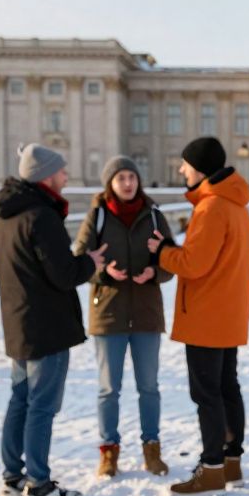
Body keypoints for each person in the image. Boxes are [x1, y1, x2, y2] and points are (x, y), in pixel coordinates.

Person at [0, 143, 107, 496]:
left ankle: (13, 475)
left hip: (18, 322)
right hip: (47, 325)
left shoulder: (4, 217)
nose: (66, 176)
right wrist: (91, 262)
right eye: (61, 171)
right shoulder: (42, 216)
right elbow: (63, 273)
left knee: (20, 399)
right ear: (45, 175)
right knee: (42, 404)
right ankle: (38, 482)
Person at [148, 136, 249, 495]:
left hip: (206, 316)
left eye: (185, 164)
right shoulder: (237, 205)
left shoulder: (211, 207)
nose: (181, 169)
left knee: (207, 395)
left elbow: (193, 264)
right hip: (229, 314)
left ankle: (211, 468)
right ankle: (231, 462)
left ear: (201, 168)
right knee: (227, 390)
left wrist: (162, 250)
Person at [75, 156, 173, 479]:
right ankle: (108, 451)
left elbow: (171, 261)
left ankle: (151, 449)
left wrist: (154, 272)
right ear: (110, 184)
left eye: (132, 176)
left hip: (146, 313)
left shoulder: (156, 216)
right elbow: (78, 259)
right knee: (108, 388)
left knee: (149, 387)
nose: (127, 183)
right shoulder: (98, 216)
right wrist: (103, 271)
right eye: (121, 178)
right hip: (109, 313)